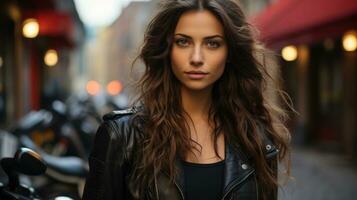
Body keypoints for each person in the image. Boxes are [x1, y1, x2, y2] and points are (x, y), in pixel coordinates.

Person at [82, 0, 291, 199]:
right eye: (183, 42)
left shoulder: (255, 138)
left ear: (230, 52)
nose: (197, 58)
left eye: (212, 43)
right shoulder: (122, 137)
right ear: (167, 49)